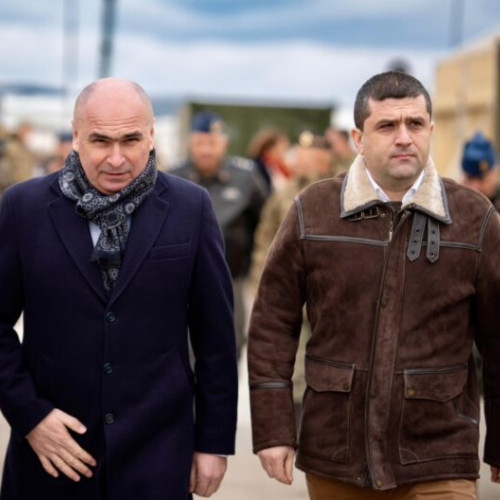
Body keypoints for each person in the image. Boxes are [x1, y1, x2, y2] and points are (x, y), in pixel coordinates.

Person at [248, 71, 500, 499]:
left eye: (415, 124)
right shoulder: (314, 210)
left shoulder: (475, 218)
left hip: (440, 453)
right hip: (337, 453)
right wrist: (273, 428)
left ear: (431, 130)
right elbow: (272, 323)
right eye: (387, 125)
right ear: (358, 139)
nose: (404, 137)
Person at [0, 78, 238, 500]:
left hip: (159, 457)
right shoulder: (22, 208)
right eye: (100, 141)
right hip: (51, 458)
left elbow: (216, 339)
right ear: (75, 136)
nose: (116, 158)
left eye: (130, 139)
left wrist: (213, 442)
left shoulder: (191, 207)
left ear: (151, 135)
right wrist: (30, 415)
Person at [171, 110, 267, 360]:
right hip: (183, 283)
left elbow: (265, 224)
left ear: (224, 143)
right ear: (190, 143)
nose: (206, 150)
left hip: (230, 280)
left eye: (212, 143)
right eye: (200, 143)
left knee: (230, 347)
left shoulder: (246, 177)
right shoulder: (173, 177)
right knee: (183, 350)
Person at [461, 131, 500, 211]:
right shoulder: (456, 205)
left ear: (496, 174)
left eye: (481, 179)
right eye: (470, 178)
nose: (475, 187)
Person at [247, 128, 291, 194]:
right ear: (271, 148)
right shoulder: (258, 166)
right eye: (283, 147)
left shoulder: (280, 168)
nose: (285, 151)